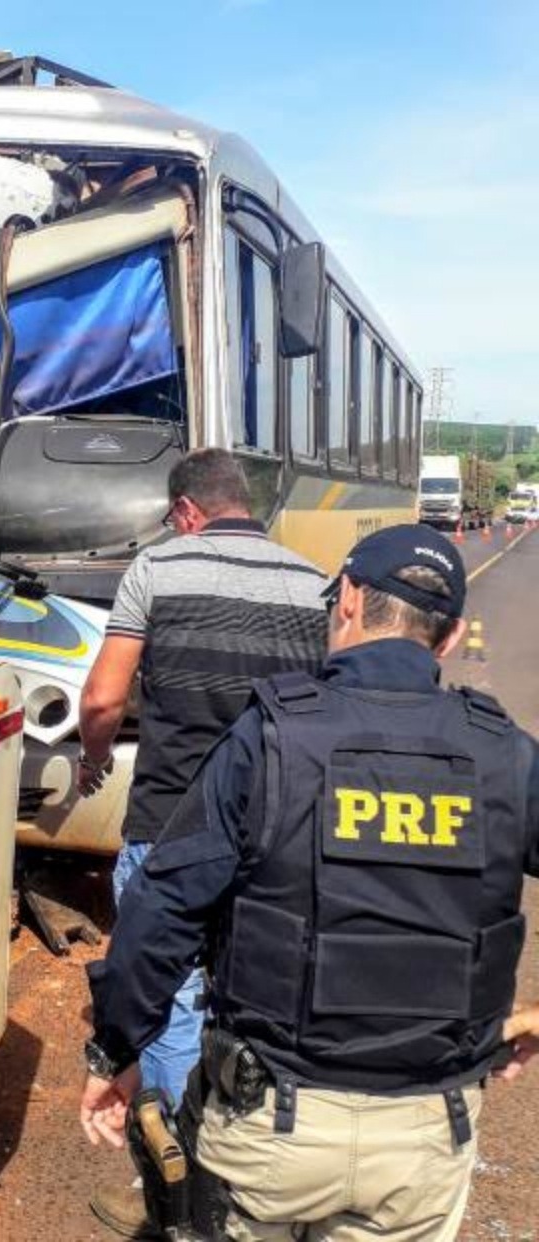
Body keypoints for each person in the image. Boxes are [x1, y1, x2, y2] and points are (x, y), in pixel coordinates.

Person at [80, 523, 539, 1242]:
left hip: (271, 1126)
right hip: (424, 1135)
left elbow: (164, 906)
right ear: (448, 639)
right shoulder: (505, 754)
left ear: (349, 599)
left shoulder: (271, 736)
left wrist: (116, 1049)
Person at [77, 448, 328, 1236]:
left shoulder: (158, 569)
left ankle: (180, 1190)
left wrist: (91, 759)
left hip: (169, 830)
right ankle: (255, 1174)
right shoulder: (311, 582)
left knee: (166, 1003)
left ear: (185, 511)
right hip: (276, 833)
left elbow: (104, 696)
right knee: (254, 1000)